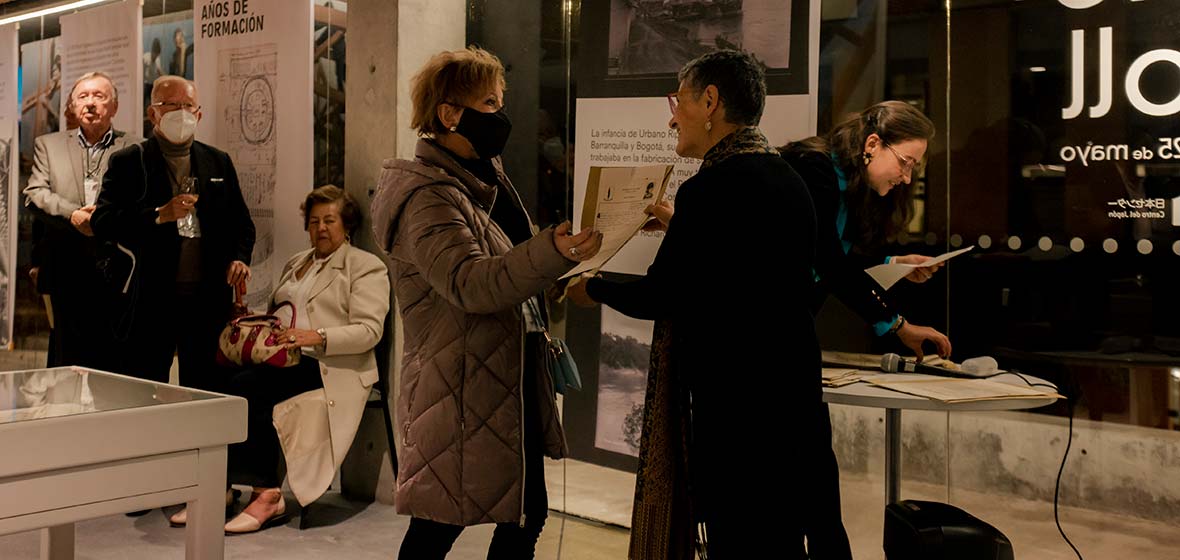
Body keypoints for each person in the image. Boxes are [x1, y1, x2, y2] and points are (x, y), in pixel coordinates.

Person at [566, 49, 840, 558]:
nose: (672, 116)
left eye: (679, 99)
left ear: (710, 101)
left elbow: (663, 293)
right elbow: (746, 271)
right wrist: (682, 226)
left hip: (738, 417)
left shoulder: (711, 190)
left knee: (740, 542)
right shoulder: (788, 181)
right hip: (792, 402)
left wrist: (593, 287)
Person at [369, 47, 602, 559]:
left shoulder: (481, 178)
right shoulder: (428, 195)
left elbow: (508, 258)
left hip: (501, 373)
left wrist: (561, 260)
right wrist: (549, 253)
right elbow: (469, 282)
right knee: (439, 523)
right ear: (450, 113)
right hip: (458, 383)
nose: (502, 115)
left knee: (525, 512)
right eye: (490, 102)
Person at [168, 185, 391, 534]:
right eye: (314, 221)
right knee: (212, 381)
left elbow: (369, 331)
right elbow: (280, 314)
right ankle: (220, 486)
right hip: (285, 356)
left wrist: (315, 336)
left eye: (330, 220)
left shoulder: (364, 267)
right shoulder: (296, 263)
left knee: (249, 388)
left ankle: (267, 494)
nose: (321, 228)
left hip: (330, 364)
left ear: (346, 223)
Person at [91, 75, 255, 387]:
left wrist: (240, 258)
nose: (180, 113)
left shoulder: (217, 162)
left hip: (207, 299)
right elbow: (103, 221)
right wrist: (158, 215)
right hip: (149, 298)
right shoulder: (129, 161)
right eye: (170, 105)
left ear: (199, 113)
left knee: (206, 388)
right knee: (144, 388)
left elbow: (242, 224)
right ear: (152, 113)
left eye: (187, 106)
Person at [780, 100, 953, 361]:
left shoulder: (849, 184)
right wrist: (898, 325)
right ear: (872, 144)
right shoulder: (813, 168)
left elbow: (836, 253)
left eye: (912, 167)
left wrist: (894, 264)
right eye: (905, 162)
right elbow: (828, 260)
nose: (907, 177)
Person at [23, 71, 142, 369]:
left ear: (114, 107)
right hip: (66, 269)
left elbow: (142, 201)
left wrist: (102, 220)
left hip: (119, 271)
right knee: (67, 363)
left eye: (99, 96)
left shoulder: (136, 148)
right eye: (83, 97)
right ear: (72, 107)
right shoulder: (48, 145)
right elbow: (35, 193)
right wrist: (73, 214)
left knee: (116, 363)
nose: (90, 103)